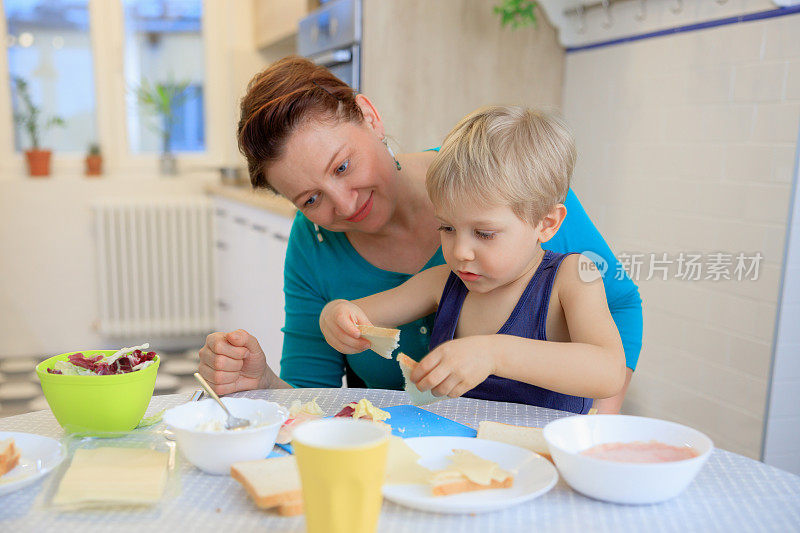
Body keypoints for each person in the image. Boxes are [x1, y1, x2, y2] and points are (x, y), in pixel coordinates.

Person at [198, 56, 642, 413]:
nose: (346, 205)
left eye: (343, 166)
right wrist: (266, 381)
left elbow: (613, 328)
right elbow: (317, 385)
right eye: (311, 199)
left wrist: (593, 433)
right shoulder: (429, 276)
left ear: (370, 117)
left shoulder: (504, 184)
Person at [318, 106, 625, 412]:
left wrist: (493, 354)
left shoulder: (570, 278)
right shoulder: (442, 283)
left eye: (485, 233)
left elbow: (608, 371)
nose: (460, 251)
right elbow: (357, 313)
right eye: (447, 227)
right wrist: (336, 315)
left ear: (546, 224)